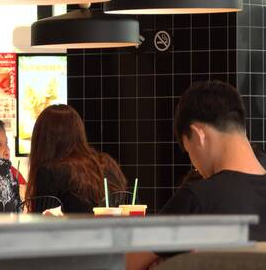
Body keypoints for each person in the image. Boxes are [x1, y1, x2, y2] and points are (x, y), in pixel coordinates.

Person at [127, 81, 266, 270]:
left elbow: (125, 263)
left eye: (189, 150)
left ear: (198, 134)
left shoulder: (198, 198)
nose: (196, 167)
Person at [27, 104, 127, 213]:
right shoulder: (106, 163)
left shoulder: (48, 172)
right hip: (116, 229)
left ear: (42, 140)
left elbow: (43, 222)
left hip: (72, 230)